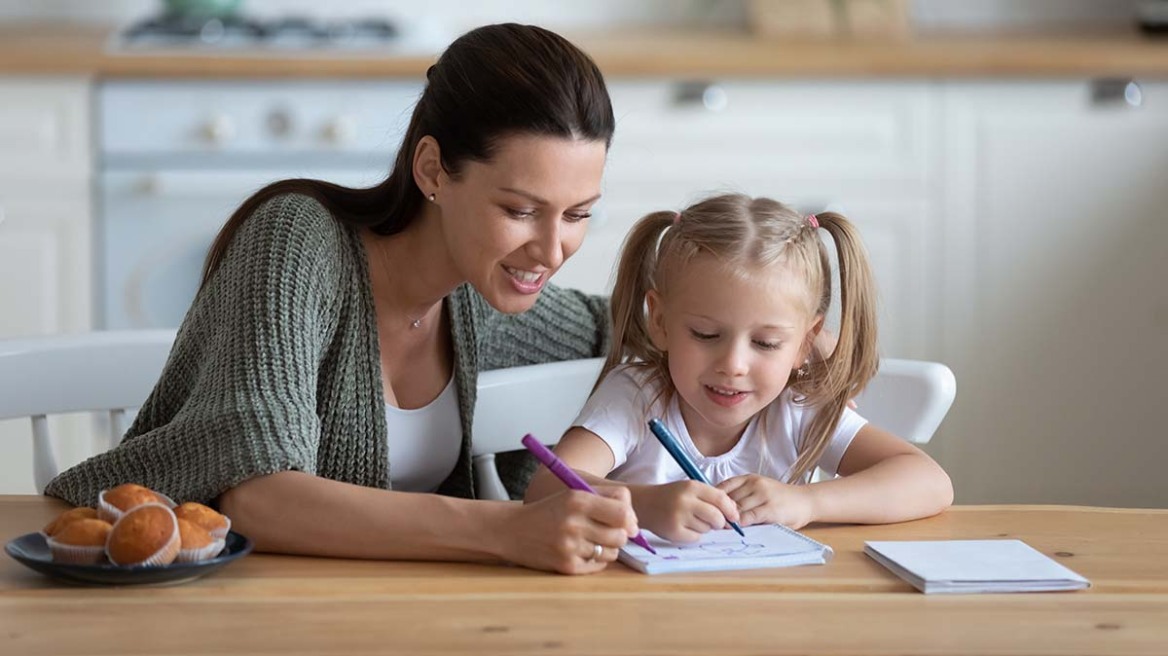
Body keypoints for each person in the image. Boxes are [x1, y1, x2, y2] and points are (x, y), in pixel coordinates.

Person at [45, 23, 640, 575]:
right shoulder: (296, 244)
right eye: (520, 211)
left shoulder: (479, 297)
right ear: (433, 170)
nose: (552, 249)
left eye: (578, 214)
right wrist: (508, 529)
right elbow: (260, 497)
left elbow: (641, 331)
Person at [524, 194, 953, 543]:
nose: (733, 365)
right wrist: (643, 504)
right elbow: (545, 489)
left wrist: (807, 504)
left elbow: (929, 482)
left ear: (806, 341)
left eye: (766, 343)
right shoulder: (637, 398)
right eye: (706, 335)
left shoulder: (797, 408)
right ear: (660, 320)